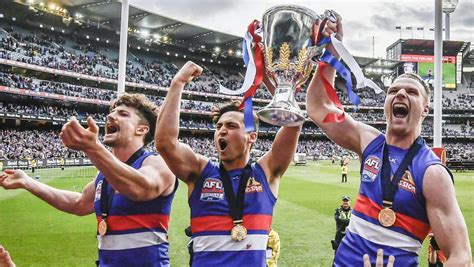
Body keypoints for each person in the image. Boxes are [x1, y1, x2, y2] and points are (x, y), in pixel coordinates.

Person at [306, 17, 472, 266]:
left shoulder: (432, 173)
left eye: (412, 92)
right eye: (393, 91)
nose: (401, 94)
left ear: (425, 110)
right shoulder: (369, 141)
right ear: (386, 105)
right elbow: (319, 107)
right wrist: (332, 53)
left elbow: (461, 256)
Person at [0, 93, 177, 266]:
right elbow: (79, 203)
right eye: (113, 112)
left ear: (142, 129)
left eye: (123, 114)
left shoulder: (157, 163)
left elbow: (141, 188)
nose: (111, 116)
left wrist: (92, 147)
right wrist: (27, 181)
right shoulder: (104, 175)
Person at [155, 61, 301, 266]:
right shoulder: (200, 172)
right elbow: (165, 144)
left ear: (252, 137)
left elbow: (294, 123)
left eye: (231, 126)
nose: (221, 130)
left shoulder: (266, 172)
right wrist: (177, 83)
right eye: (218, 126)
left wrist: (282, 86)